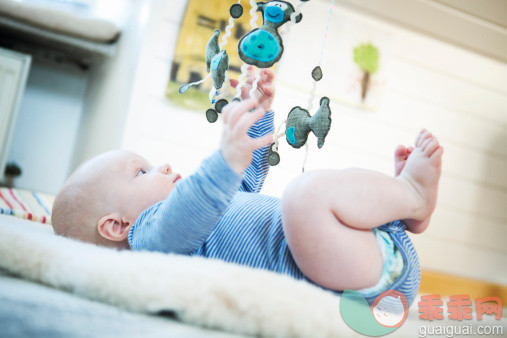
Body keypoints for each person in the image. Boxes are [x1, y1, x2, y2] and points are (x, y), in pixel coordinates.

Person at [52, 68, 443, 305]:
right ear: (117, 226)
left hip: (361, 257)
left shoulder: (205, 215)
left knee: (307, 196)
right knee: (303, 195)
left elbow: (243, 180)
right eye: (142, 172)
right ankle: (411, 195)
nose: (164, 166)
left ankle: (399, 211)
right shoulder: (150, 239)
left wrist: (254, 116)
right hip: (354, 285)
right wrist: (224, 158)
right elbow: (196, 202)